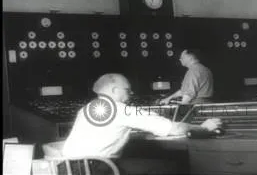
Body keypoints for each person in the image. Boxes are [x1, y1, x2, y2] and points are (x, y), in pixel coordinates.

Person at [62, 73, 221, 173]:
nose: (131, 93)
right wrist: (203, 127)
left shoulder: (86, 109)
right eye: (127, 89)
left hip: (71, 169)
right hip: (99, 169)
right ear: (114, 90)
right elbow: (173, 128)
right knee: (173, 168)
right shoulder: (121, 109)